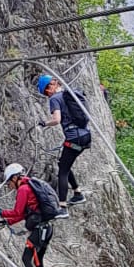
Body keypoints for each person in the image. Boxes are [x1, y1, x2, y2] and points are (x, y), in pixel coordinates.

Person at [0, 162, 56, 267]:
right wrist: (8, 222)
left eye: (9, 182)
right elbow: (23, 214)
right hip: (46, 228)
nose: (9, 186)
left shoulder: (23, 189)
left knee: (26, 258)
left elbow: (17, 211)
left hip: (38, 230)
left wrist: (1, 212)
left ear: (14, 178)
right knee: (38, 261)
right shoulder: (30, 186)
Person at [37, 71, 91, 212]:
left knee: (62, 171)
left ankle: (62, 207)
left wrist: (45, 123)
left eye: (46, 92)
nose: (47, 95)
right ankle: (78, 193)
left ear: (49, 87)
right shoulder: (70, 95)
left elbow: (57, 120)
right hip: (85, 136)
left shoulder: (55, 98)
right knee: (64, 163)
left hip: (74, 137)